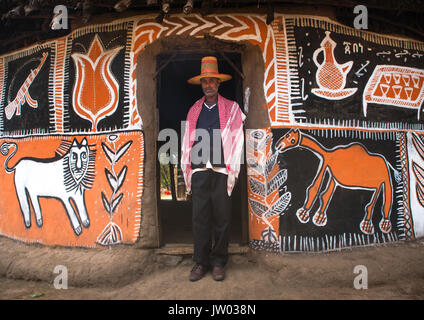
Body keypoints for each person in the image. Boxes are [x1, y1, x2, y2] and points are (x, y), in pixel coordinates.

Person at [181, 56, 245, 281]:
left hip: (221, 171)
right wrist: (188, 167)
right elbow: (186, 142)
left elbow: (237, 139)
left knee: (222, 218)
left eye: (212, 81)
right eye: (205, 81)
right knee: (200, 218)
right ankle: (201, 262)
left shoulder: (232, 108)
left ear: (219, 83)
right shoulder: (194, 110)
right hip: (199, 170)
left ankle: (218, 262)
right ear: (202, 84)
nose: (208, 85)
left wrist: (232, 167)